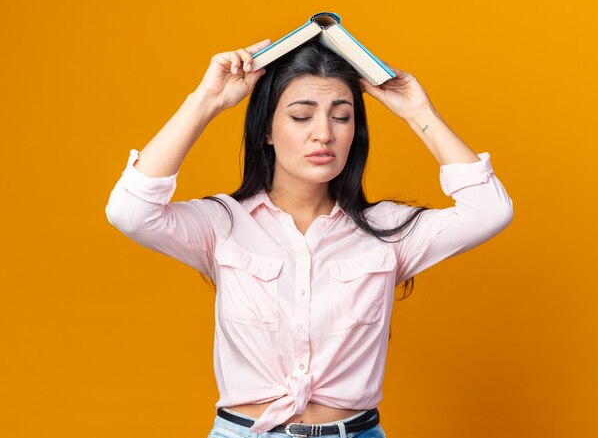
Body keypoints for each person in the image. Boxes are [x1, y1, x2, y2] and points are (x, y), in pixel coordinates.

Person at [105, 36, 514, 438]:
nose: (324, 133)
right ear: (266, 130)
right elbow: (130, 210)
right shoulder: (223, 223)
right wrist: (206, 101)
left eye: (341, 116)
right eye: (302, 116)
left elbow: (489, 210)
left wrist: (417, 111)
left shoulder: (388, 230)